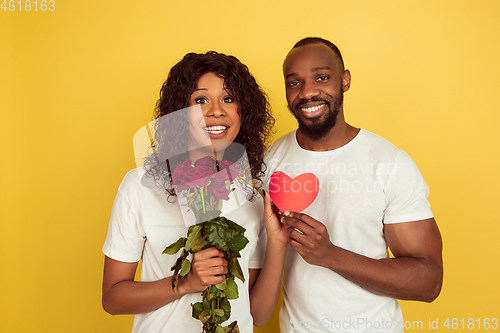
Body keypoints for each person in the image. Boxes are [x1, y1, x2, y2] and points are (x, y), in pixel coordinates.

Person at [263, 37, 443, 332]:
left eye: (322, 78)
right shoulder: (271, 160)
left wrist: (330, 255)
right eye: (294, 83)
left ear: (345, 81)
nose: (308, 92)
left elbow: (429, 281)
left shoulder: (389, 164)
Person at [102, 51, 288, 332]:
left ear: (243, 111)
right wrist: (184, 283)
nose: (216, 110)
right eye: (200, 100)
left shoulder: (253, 194)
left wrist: (277, 241)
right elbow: (113, 299)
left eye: (228, 99)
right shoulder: (140, 185)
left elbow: (257, 314)